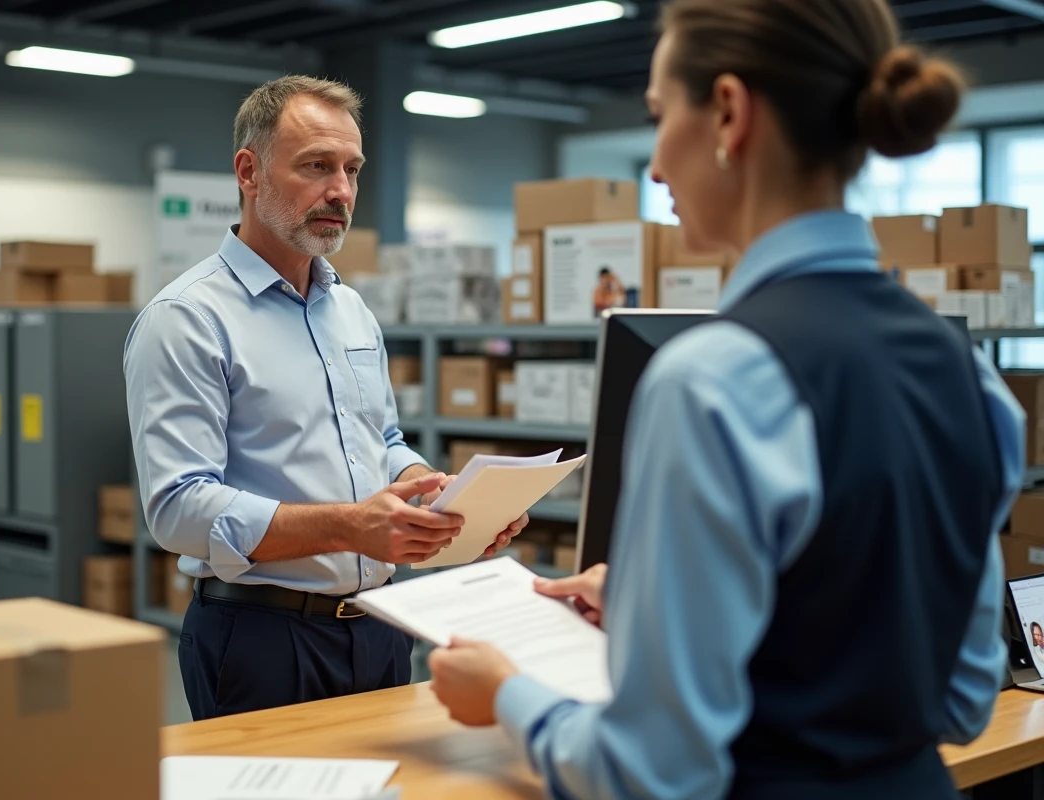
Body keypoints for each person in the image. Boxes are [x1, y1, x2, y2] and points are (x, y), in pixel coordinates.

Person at [428, 2, 1023, 798]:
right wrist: (663, 610)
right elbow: (963, 700)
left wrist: (506, 694)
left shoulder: (714, 378)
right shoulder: (969, 373)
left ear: (730, 115)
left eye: (659, 116)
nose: (656, 168)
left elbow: (651, 771)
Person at [123, 76, 526, 721]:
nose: (341, 190)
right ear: (249, 172)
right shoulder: (187, 319)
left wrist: (437, 497)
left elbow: (382, 441)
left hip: (381, 625)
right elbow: (178, 508)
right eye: (316, 166)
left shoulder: (351, 310)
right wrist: (350, 525)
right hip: (261, 637)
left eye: (351, 169)